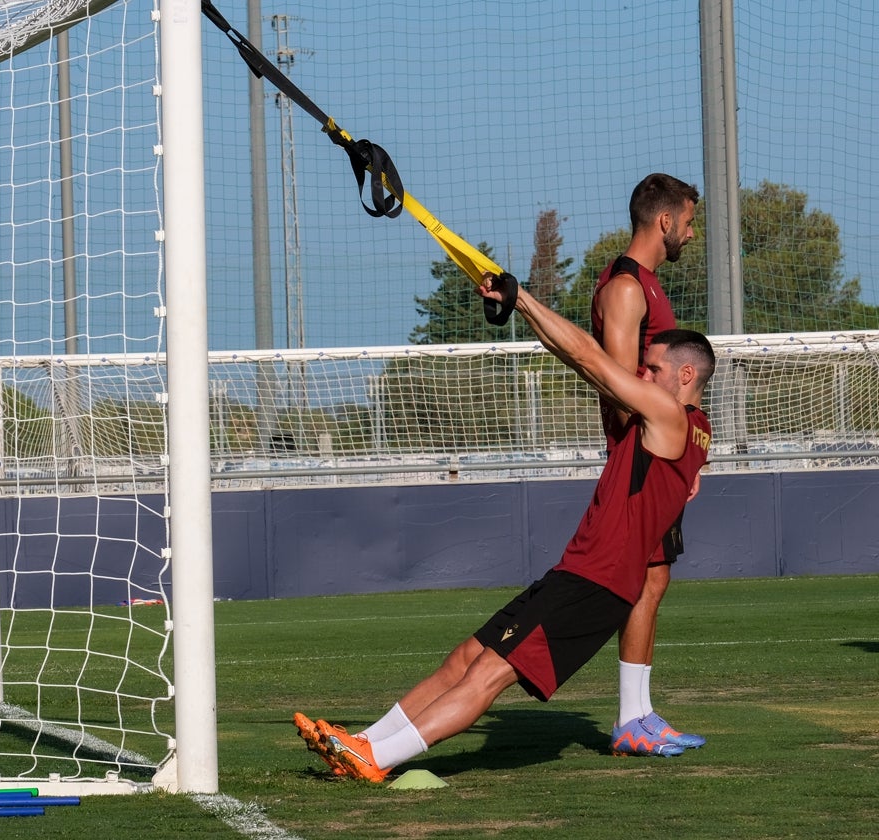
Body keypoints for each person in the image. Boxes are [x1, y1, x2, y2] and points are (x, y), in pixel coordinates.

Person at [294, 275, 715, 783]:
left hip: (596, 584)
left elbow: (589, 357)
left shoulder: (668, 413)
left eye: (652, 369)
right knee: (465, 659)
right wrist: (522, 309)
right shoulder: (695, 425)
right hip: (577, 573)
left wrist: (525, 300)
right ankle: (363, 742)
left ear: (685, 375)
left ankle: (376, 760)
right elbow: (582, 362)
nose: (642, 376)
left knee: (489, 675)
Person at [592, 173, 705, 756]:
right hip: (640, 458)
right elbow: (616, 383)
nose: (691, 231)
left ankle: (639, 713)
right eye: (688, 220)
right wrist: (662, 448)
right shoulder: (628, 287)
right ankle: (629, 720)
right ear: (664, 221)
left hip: (662, 454)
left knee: (654, 579)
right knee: (639, 579)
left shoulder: (650, 286)